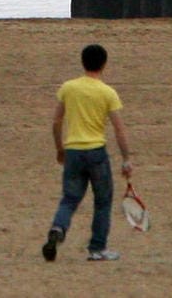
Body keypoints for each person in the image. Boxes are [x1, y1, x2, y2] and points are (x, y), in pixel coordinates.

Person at [42, 44, 134, 263]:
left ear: (82, 62)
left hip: (73, 150)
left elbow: (56, 122)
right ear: (104, 64)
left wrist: (59, 148)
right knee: (102, 200)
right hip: (95, 152)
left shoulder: (68, 88)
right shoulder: (107, 92)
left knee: (70, 198)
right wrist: (126, 158)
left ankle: (58, 227)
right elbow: (119, 129)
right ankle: (97, 248)